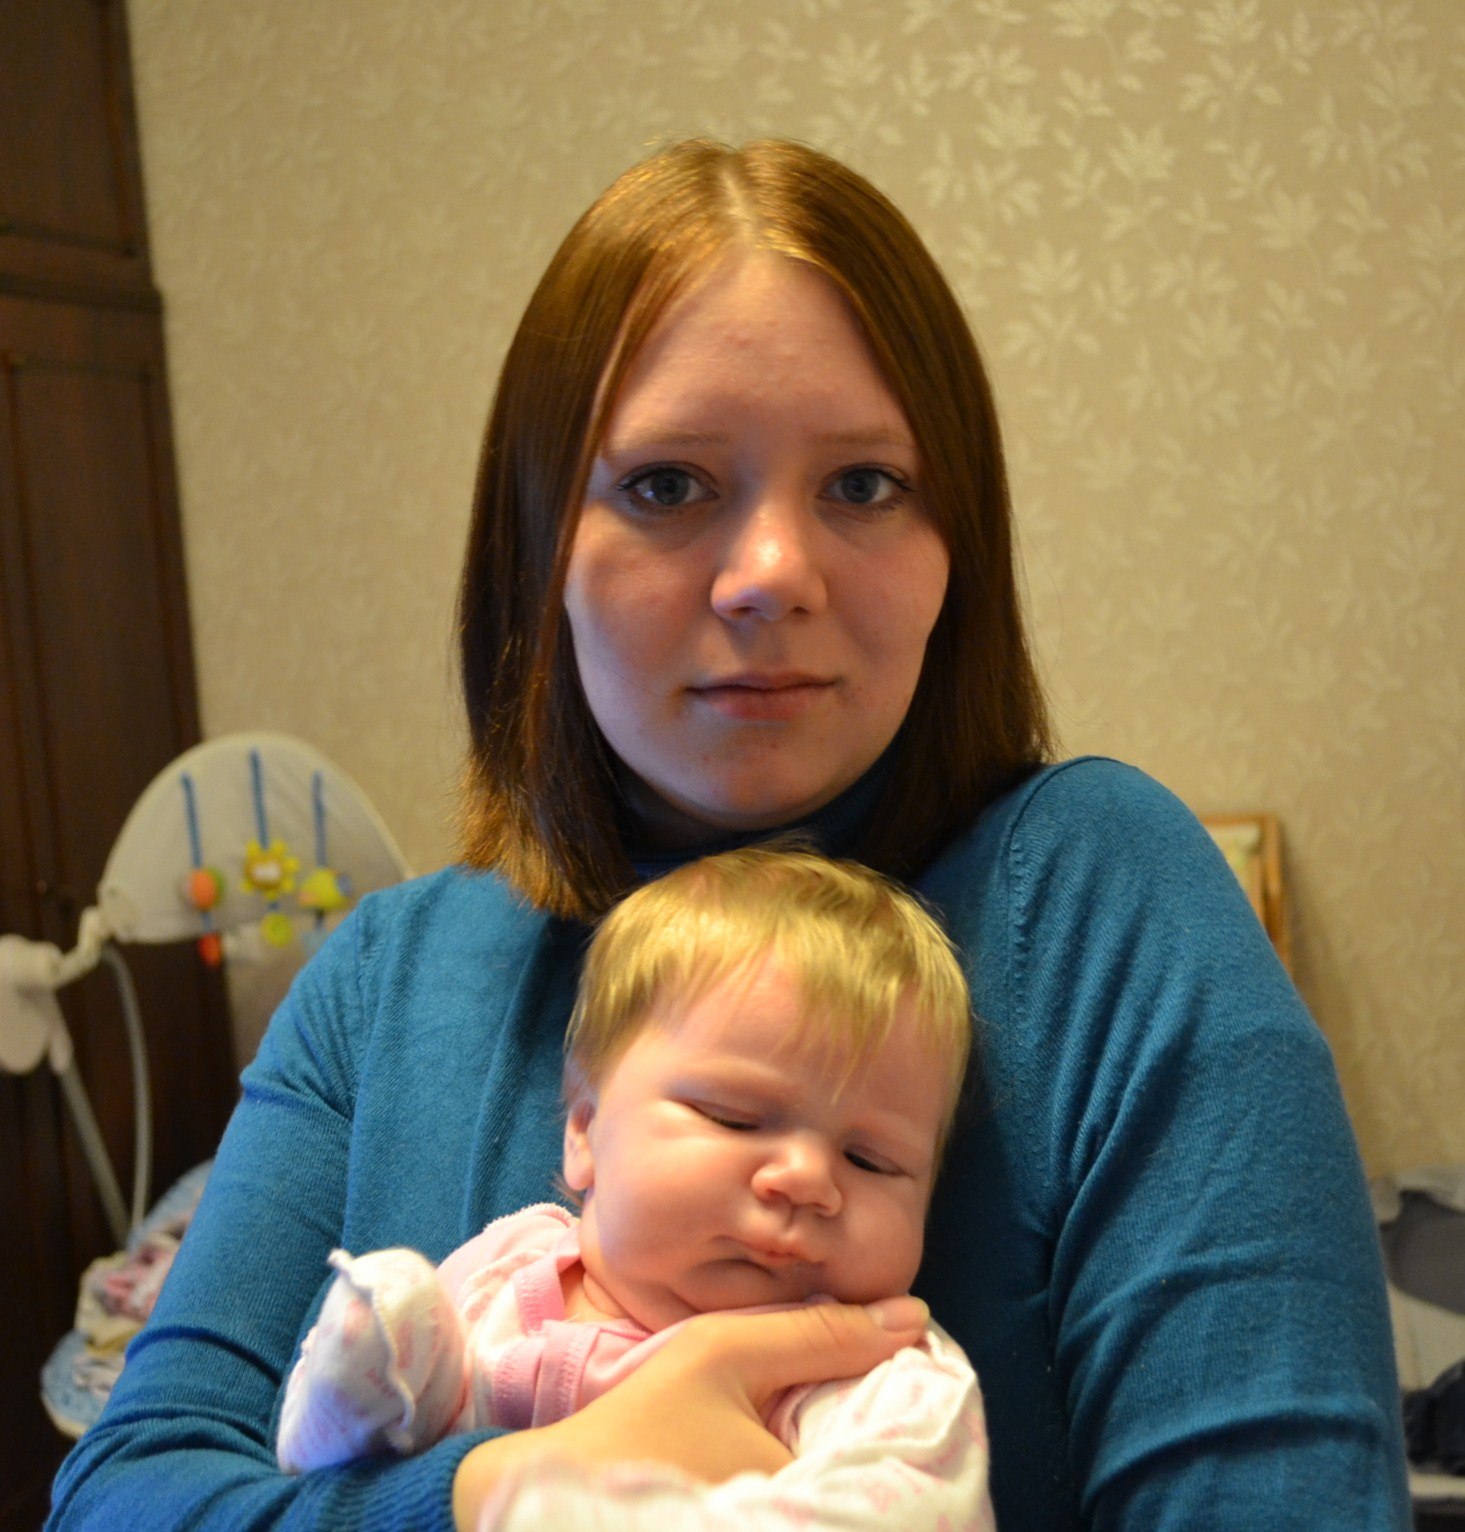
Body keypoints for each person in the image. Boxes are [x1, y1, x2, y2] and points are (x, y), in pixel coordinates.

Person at [48, 138, 1409, 1532]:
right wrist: (504, 1491)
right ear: (539, 546)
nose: (770, 575)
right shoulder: (384, 984)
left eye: (864, 484)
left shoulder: (1100, 904)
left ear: (956, 550)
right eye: (667, 485)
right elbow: (124, 1493)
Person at [273, 848, 994, 1530]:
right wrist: (389, 1367)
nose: (809, 1180)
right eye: (733, 1118)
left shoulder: (869, 1375)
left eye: (871, 1161)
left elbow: (907, 1509)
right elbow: (320, 1485)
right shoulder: (503, 1270)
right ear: (585, 1132)